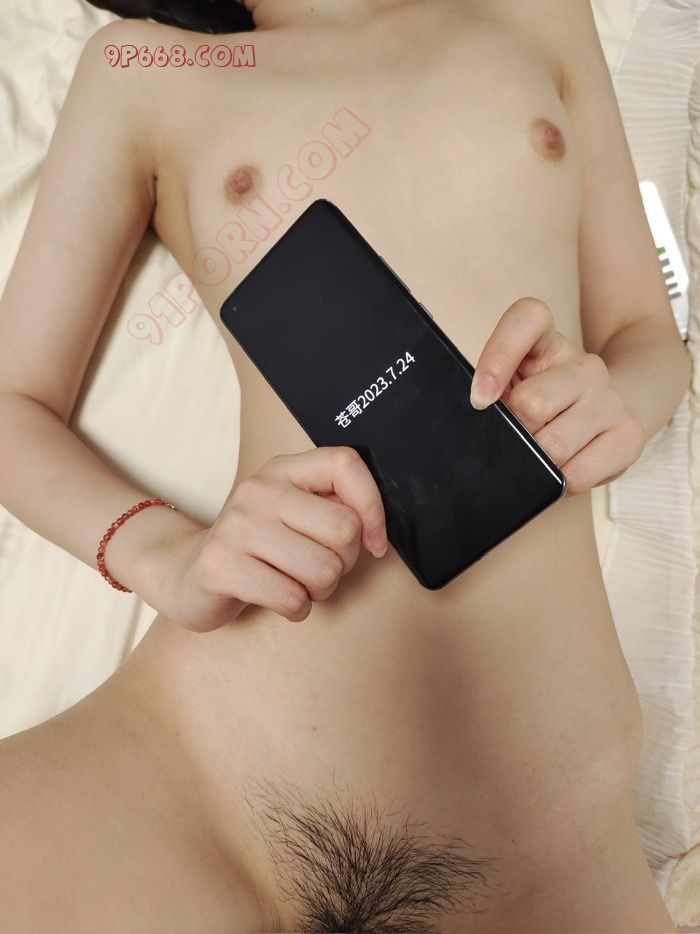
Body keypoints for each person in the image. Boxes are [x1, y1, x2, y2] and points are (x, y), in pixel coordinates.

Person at [0, 0, 690, 930]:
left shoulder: (540, 14)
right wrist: (163, 553)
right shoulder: (140, 69)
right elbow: (12, 403)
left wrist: (619, 401)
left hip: (546, 833)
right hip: (200, 778)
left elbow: (647, 334)